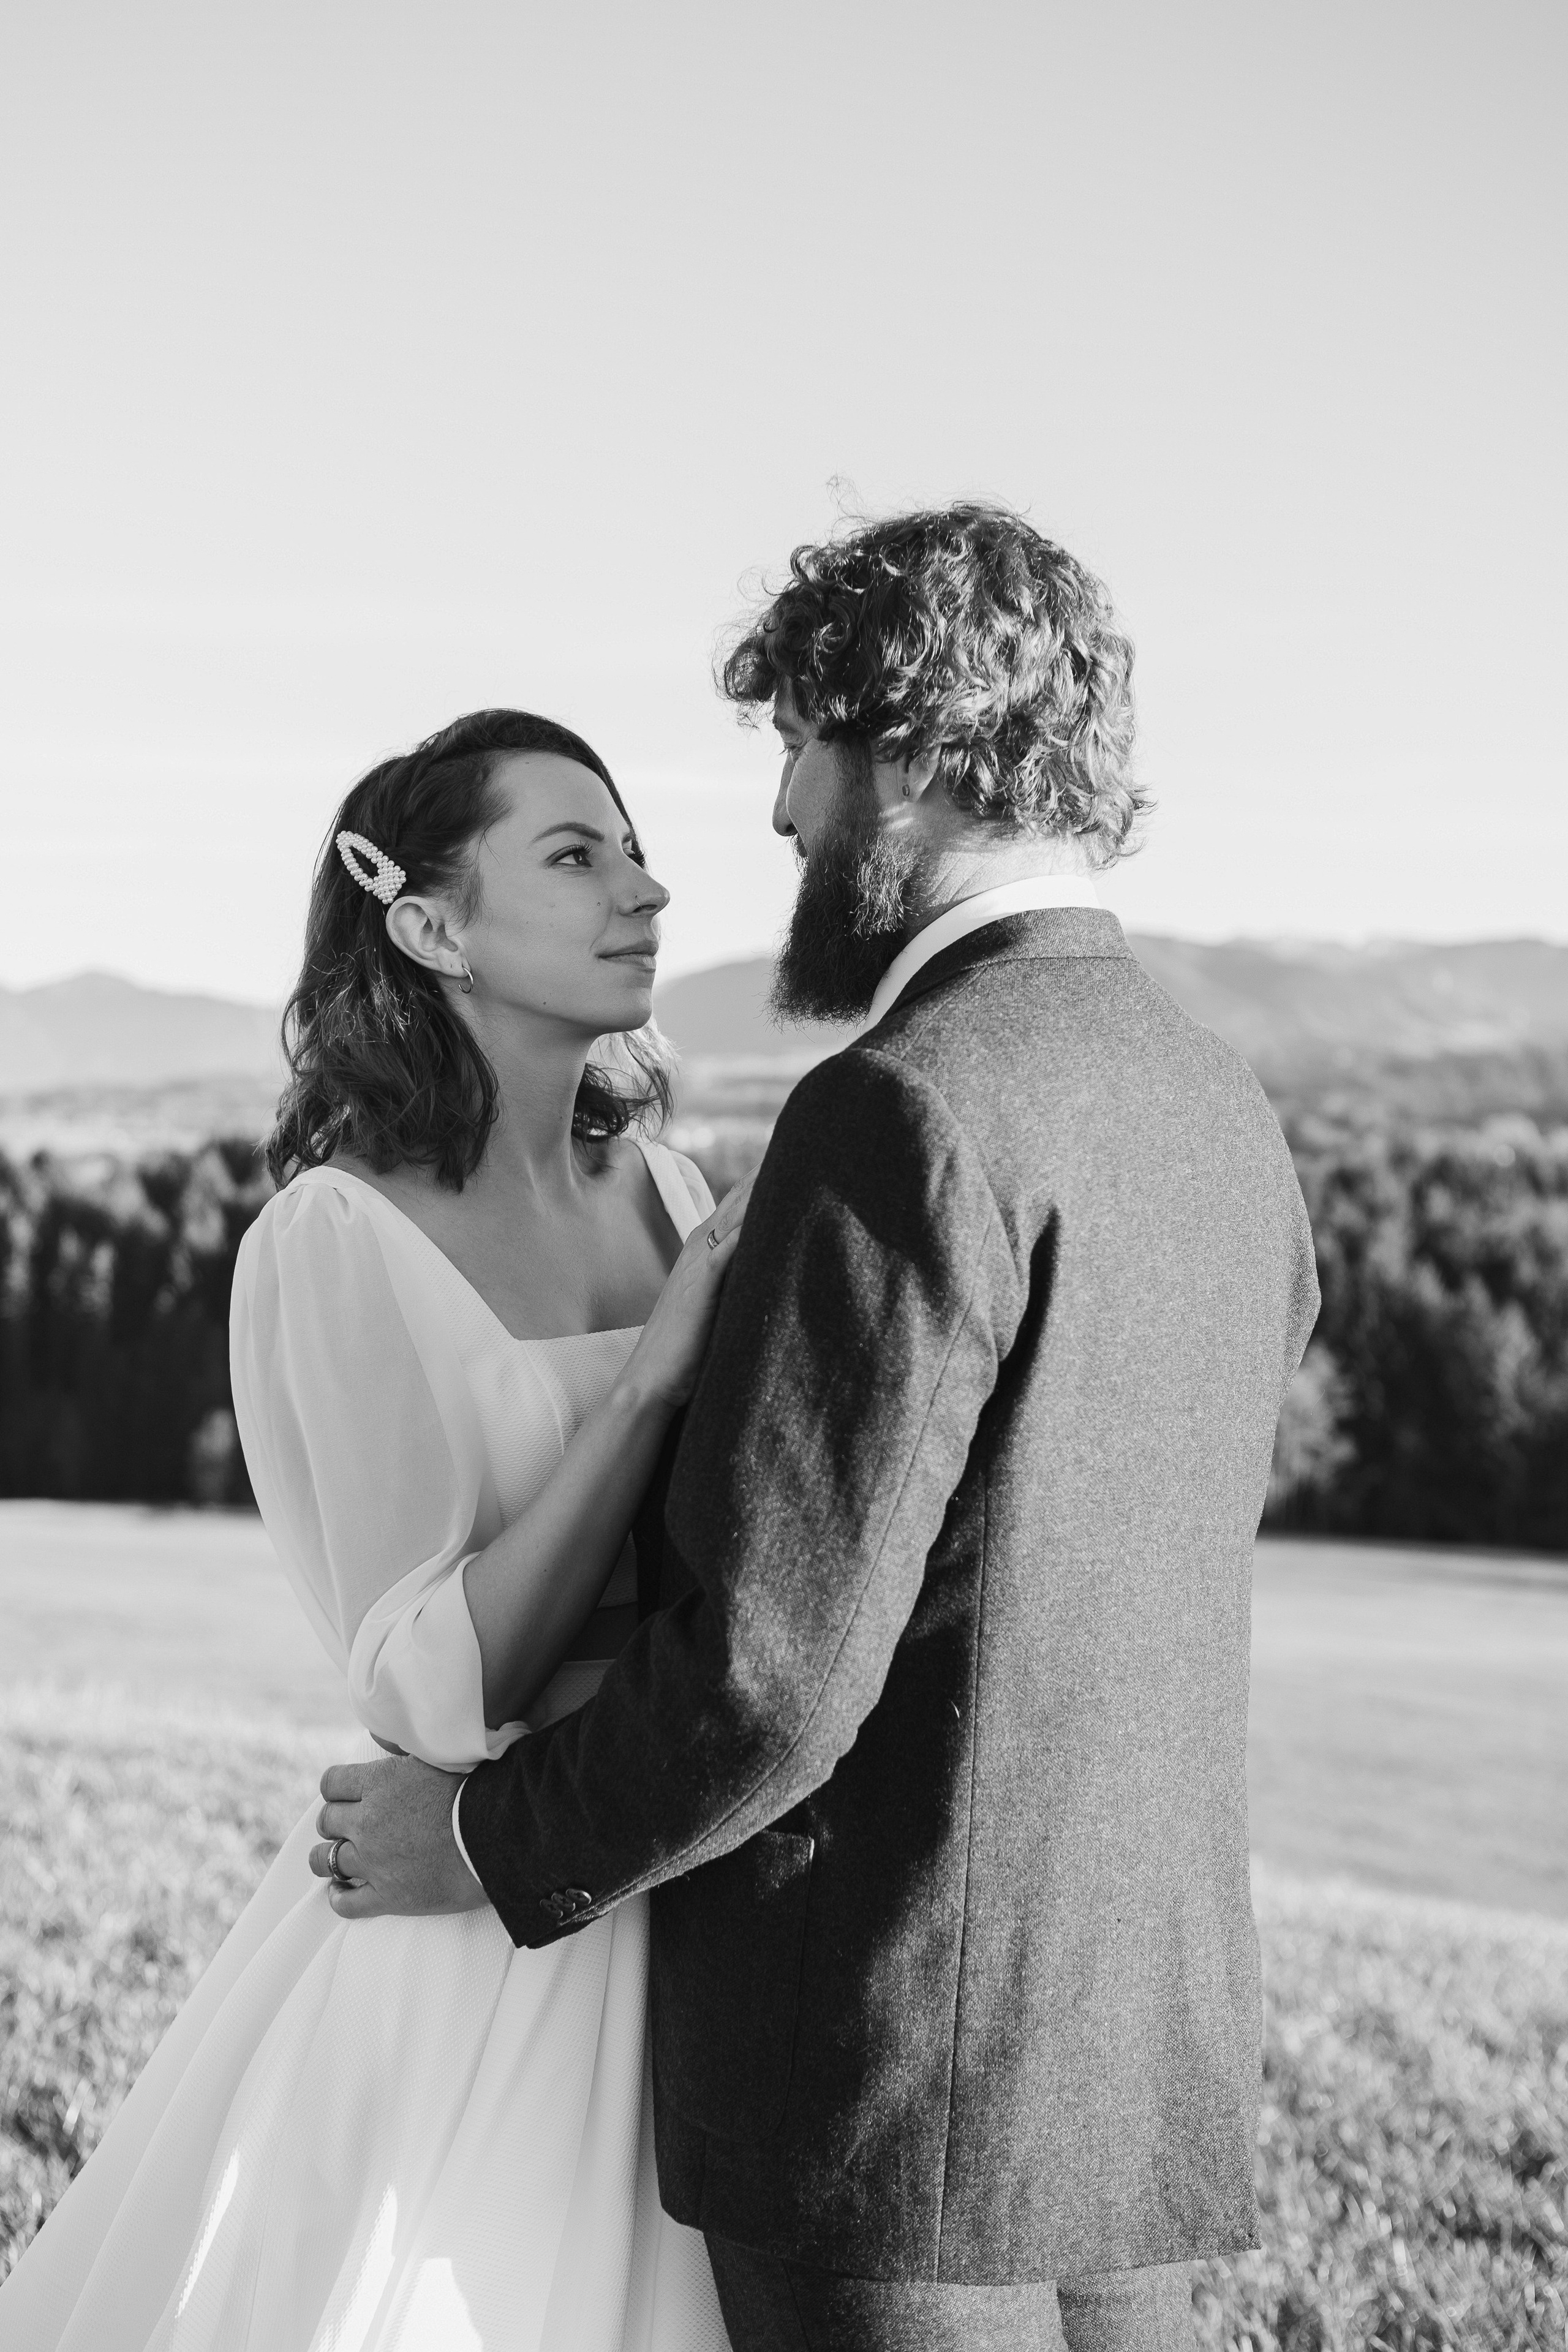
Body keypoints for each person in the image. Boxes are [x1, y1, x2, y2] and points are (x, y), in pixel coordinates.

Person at [323, 505, 1321, 2352]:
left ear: (914, 750)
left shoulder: (898, 1110)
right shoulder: (1217, 1105)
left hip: (883, 2085)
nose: (779, 811)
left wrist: (477, 1841)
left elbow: (772, 1676)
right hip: (1133, 2061)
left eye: (798, 744)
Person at [0, 709, 741, 2350]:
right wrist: (647, 1388)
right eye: (575, 855)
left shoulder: (678, 1197)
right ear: (431, 928)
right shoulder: (337, 1239)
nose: (644, 890)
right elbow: (428, 1691)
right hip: (484, 1931)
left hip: (692, 1886)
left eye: (635, 850)